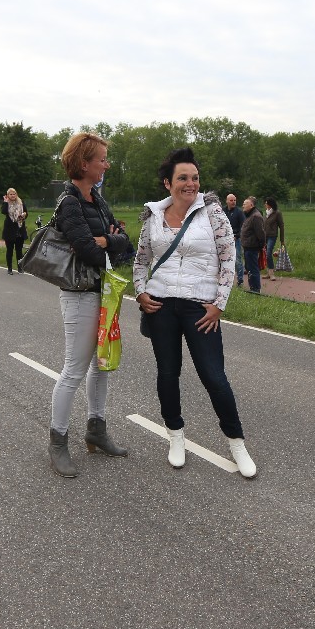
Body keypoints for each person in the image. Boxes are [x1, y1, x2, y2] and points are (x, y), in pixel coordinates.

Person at [133, 148, 256, 478]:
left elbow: (229, 259)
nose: (191, 184)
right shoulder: (153, 216)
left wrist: (219, 304)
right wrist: (140, 291)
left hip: (200, 307)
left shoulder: (213, 213)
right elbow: (141, 260)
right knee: (167, 373)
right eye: (183, 178)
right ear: (167, 183)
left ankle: (237, 443)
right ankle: (175, 436)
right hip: (160, 305)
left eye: (195, 178)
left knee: (214, 376)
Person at [46, 131, 131, 478]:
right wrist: (110, 243)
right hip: (79, 295)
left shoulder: (97, 199)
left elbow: (125, 244)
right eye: (102, 160)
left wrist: (108, 240)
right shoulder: (70, 203)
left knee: (101, 365)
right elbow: (88, 251)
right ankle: (58, 442)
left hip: (102, 292)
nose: (106, 165)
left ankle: (96, 430)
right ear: (84, 164)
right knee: (74, 370)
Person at [239, 196, 265, 294]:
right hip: (247, 247)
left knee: (253, 268)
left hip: (252, 247)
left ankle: (255, 289)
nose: (243, 206)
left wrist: (260, 245)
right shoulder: (250, 215)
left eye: (245, 204)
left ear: (251, 205)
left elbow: (261, 233)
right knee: (249, 268)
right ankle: (252, 287)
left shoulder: (256, 217)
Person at [0, 188, 29, 274]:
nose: (13, 196)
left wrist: (24, 215)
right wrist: (5, 202)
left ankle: (20, 268)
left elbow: (26, 212)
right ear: (8, 195)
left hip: (20, 229)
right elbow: (4, 212)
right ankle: (10, 268)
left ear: (16, 194)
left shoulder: (21, 202)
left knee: (19, 250)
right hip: (10, 230)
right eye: (11, 194)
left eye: (14, 194)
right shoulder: (6, 203)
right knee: (10, 250)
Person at [225, 193, 246, 287]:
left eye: (234, 200)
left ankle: (240, 280)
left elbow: (243, 226)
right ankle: (225, 279)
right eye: (231, 200)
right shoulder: (223, 211)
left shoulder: (239, 212)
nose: (233, 202)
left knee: (237, 260)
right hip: (225, 239)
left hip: (236, 239)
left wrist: (236, 236)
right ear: (227, 201)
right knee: (224, 259)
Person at [263, 197, 285, 282]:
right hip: (265, 236)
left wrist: (282, 240)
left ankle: (272, 273)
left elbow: (281, 226)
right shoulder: (266, 213)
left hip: (272, 236)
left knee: (269, 252)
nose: (265, 204)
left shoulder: (277, 213)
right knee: (265, 254)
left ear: (270, 204)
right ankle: (268, 273)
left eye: (266, 203)